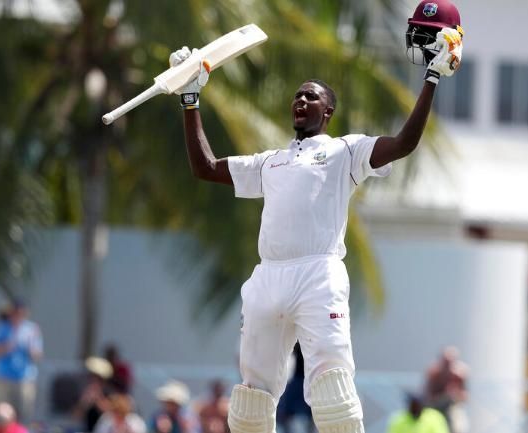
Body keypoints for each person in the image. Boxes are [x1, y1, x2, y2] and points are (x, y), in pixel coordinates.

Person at [169, 2, 464, 432]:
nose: (301, 100)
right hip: (268, 277)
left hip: (318, 276)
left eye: (312, 96)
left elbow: (402, 142)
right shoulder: (269, 161)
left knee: (333, 393)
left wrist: (432, 79)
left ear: (328, 112)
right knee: (251, 399)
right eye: (297, 95)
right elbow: (205, 167)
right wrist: (190, 98)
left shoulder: (346, 150)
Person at [0, 301, 44, 424]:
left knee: (23, 413)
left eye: (21, 312)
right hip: (2, 378)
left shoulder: (31, 330)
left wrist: (31, 348)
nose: (18, 315)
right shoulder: (1, 328)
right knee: (0, 414)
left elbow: (38, 355)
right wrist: (7, 347)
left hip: (24, 379)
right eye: (15, 312)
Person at [423, 347, 468, 433]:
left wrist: (455, 394)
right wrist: (444, 396)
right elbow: (428, 396)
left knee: (457, 424)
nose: (448, 367)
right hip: (435, 407)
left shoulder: (459, 375)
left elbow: (465, 397)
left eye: (450, 363)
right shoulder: (434, 374)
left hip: (452, 407)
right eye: (446, 363)